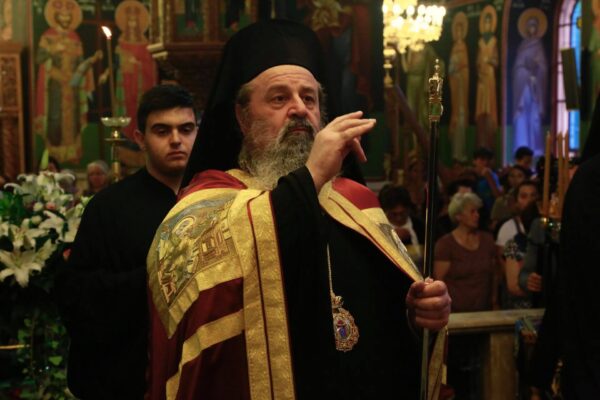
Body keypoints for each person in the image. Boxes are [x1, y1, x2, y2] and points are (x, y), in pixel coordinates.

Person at [146, 20, 451, 400]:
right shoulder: (206, 203)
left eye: (309, 98)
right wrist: (312, 176)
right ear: (242, 117)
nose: (299, 110)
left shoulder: (357, 202)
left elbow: (386, 325)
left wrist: (418, 317)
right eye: (279, 99)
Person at [54, 85, 198, 399]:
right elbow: (77, 294)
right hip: (128, 376)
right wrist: (151, 281)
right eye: (162, 131)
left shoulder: (214, 199)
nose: (176, 139)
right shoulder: (108, 207)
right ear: (140, 139)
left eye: (186, 129)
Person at [434, 192, 496, 399]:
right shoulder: (446, 244)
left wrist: (495, 302)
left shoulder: (487, 240)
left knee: (483, 373)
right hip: (456, 319)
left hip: (484, 316)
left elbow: (495, 275)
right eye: (472, 211)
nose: (477, 215)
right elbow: (438, 281)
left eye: (478, 211)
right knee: (458, 374)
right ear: (458, 216)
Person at [34, 0, 102, 163]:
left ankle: (72, 152)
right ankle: (54, 155)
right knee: (55, 117)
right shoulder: (48, 36)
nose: (65, 19)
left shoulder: (74, 37)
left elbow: (79, 62)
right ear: (56, 17)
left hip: (72, 85)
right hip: (55, 84)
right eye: (62, 16)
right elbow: (39, 58)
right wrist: (53, 50)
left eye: (68, 16)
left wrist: (89, 63)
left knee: (73, 119)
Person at [512, 8, 548, 156]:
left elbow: (543, 67)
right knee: (522, 118)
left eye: (534, 26)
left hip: (534, 87)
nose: (532, 29)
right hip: (523, 87)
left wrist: (536, 72)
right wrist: (524, 72)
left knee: (534, 118)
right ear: (526, 28)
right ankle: (521, 148)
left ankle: (535, 150)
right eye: (530, 26)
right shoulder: (522, 46)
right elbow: (517, 67)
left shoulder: (538, 45)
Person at [378, 184, 425, 267]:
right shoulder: (377, 228)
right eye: (394, 214)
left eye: (402, 213)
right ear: (385, 210)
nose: (398, 218)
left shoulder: (421, 226)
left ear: (408, 209)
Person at [448, 11, 469, 162]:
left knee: (461, 114)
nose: (459, 33)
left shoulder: (464, 47)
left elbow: (466, 67)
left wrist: (460, 70)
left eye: (461, 30)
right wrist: (453, 70)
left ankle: (461, 153)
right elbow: (450, 69)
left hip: (462, 83)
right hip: (455, 84)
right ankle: (455, 154)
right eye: (457, 30)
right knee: (456, 113)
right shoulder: (453, 47)